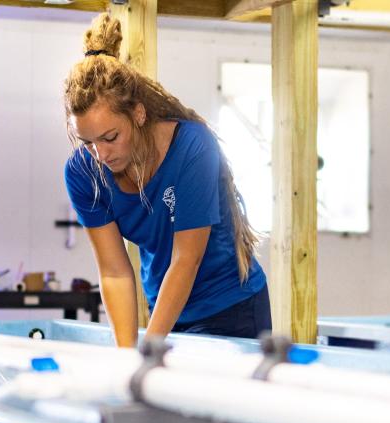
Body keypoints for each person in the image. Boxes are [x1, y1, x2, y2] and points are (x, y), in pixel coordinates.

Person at [63, 13, 270, 348]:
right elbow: (115, 272)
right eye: (88, 143)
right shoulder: (83, 172)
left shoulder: (192, 146)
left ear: (139, 115)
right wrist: (128, 353)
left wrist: (149, 350)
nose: (101, 154)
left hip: (230, 307)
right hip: (166, 306)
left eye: (110, 137)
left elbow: (186, 259)